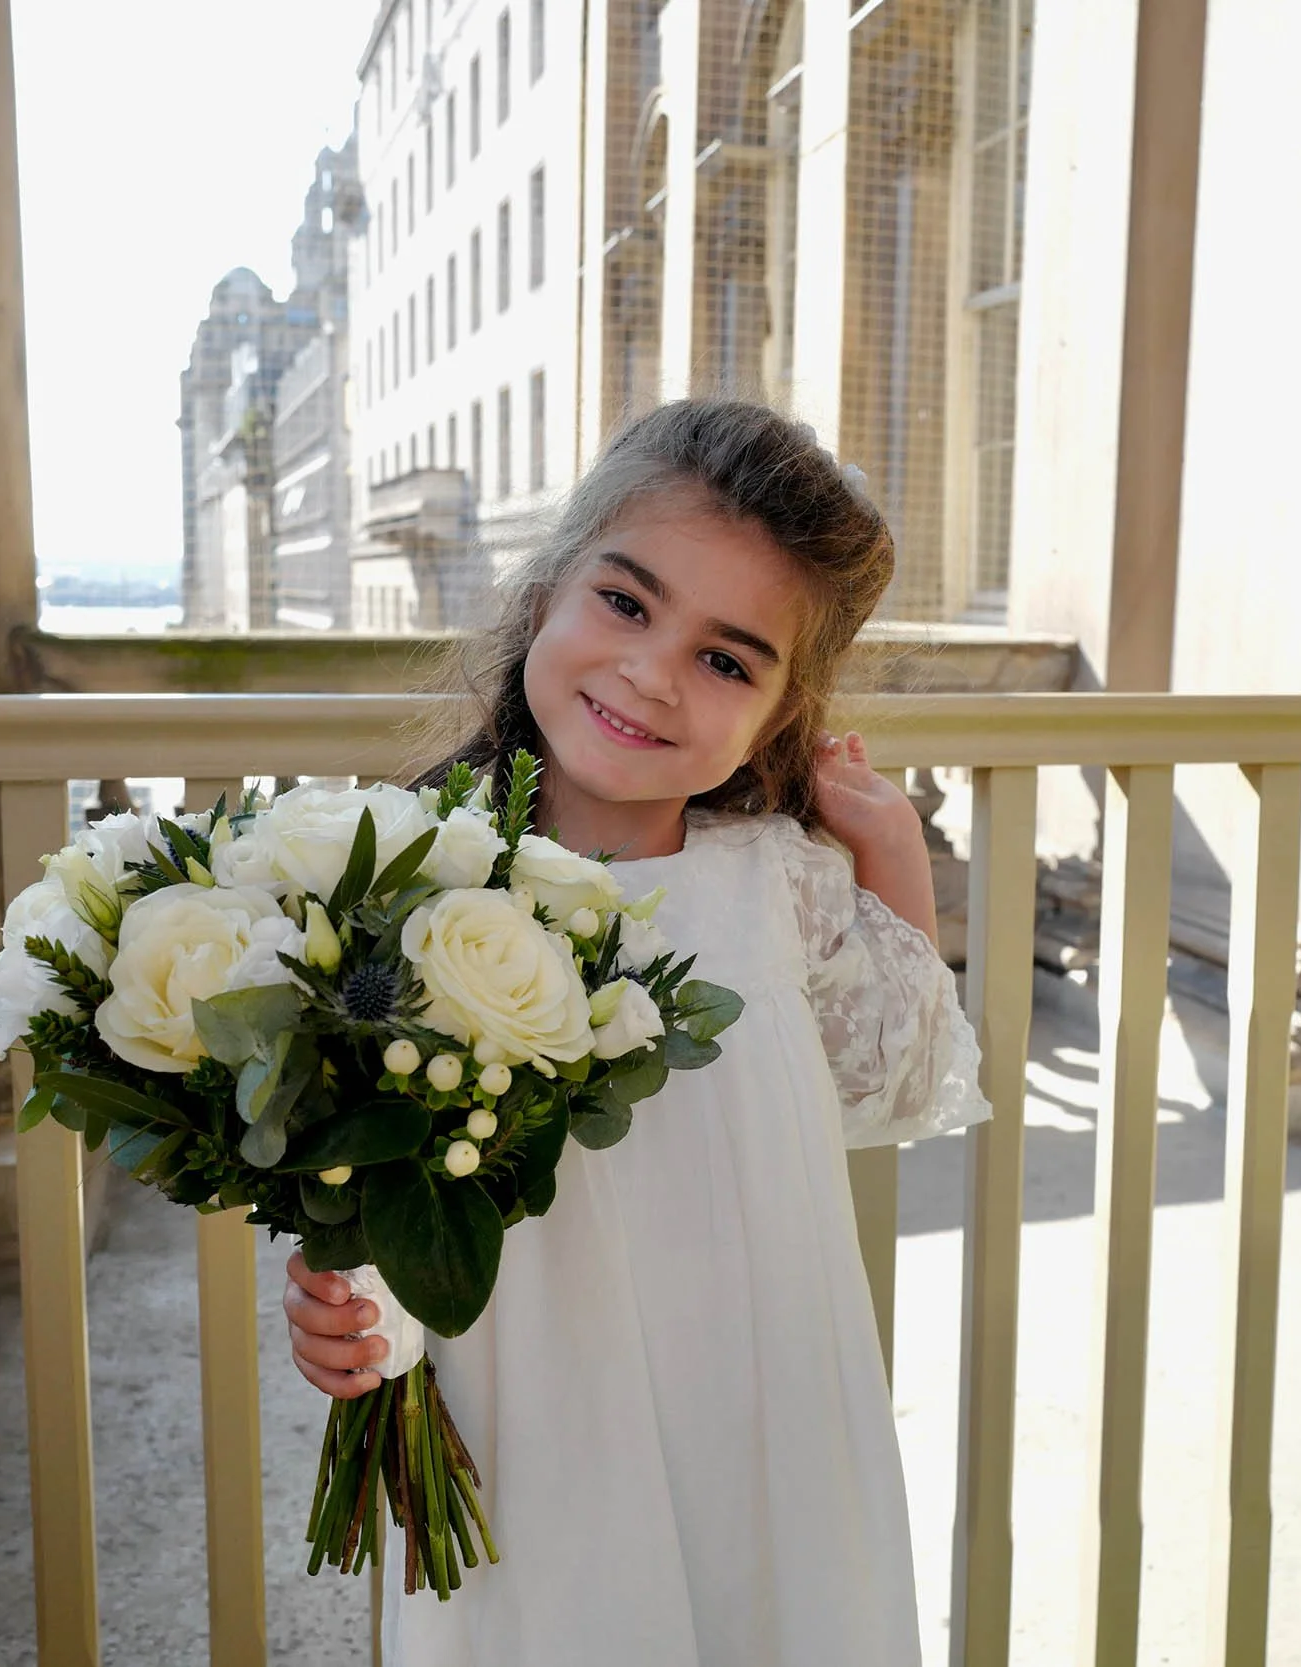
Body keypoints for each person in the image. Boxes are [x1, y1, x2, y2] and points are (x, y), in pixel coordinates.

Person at [280, 399, 989, 1665]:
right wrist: (344, 1302)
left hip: (766, 1398)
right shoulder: (403, 880)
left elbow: (899, 1078)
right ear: (545, 592)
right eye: (624, 603)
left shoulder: (776, 879)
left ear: (779, 714)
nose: (654, 673)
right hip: (533, 1409)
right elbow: (358, 1162)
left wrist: (890, 847)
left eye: (727, 661)